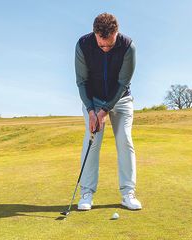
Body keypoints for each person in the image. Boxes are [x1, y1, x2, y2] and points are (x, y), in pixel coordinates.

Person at [75, 13, 142, 210]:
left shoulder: (128, 46)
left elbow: (123, 83)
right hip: (93, 100)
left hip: (121, 99)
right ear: (95, 34)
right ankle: (86, 192)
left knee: (124, 139)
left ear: (116, 33)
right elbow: (81, 81)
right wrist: (91, 110)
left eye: (109, 45)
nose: (105, 49)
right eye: (101, 45)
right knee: (92, 140)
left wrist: (104, 111)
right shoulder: (83, 45)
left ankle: (128, 193)